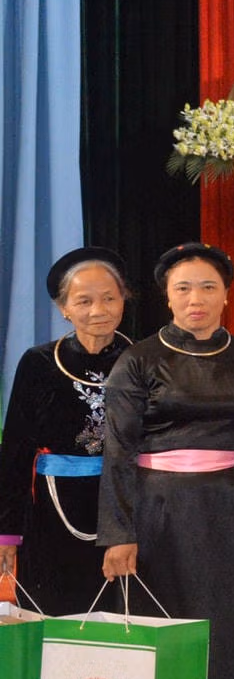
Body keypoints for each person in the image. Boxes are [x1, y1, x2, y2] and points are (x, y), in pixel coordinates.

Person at [96, 243, 234, 679]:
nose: (195, 299)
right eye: (183, 288)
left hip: (230, 506)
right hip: (160, 509)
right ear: (168, 296)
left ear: (226, 295)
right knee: (167, 621)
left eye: (207, 287)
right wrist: (118, 533)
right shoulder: (139, 359)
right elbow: (118, 450)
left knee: (229, 623)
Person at [0, 249, 134, 616]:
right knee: (52, 618)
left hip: (126, 512)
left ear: (123, 300)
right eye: (84, 301)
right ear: (64, 308)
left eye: (109, 298)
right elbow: (15, 451)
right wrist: (7, 531)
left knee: (120, 621)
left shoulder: (143, 361)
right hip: (51, 512)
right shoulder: (39, 362)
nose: (98, 310)